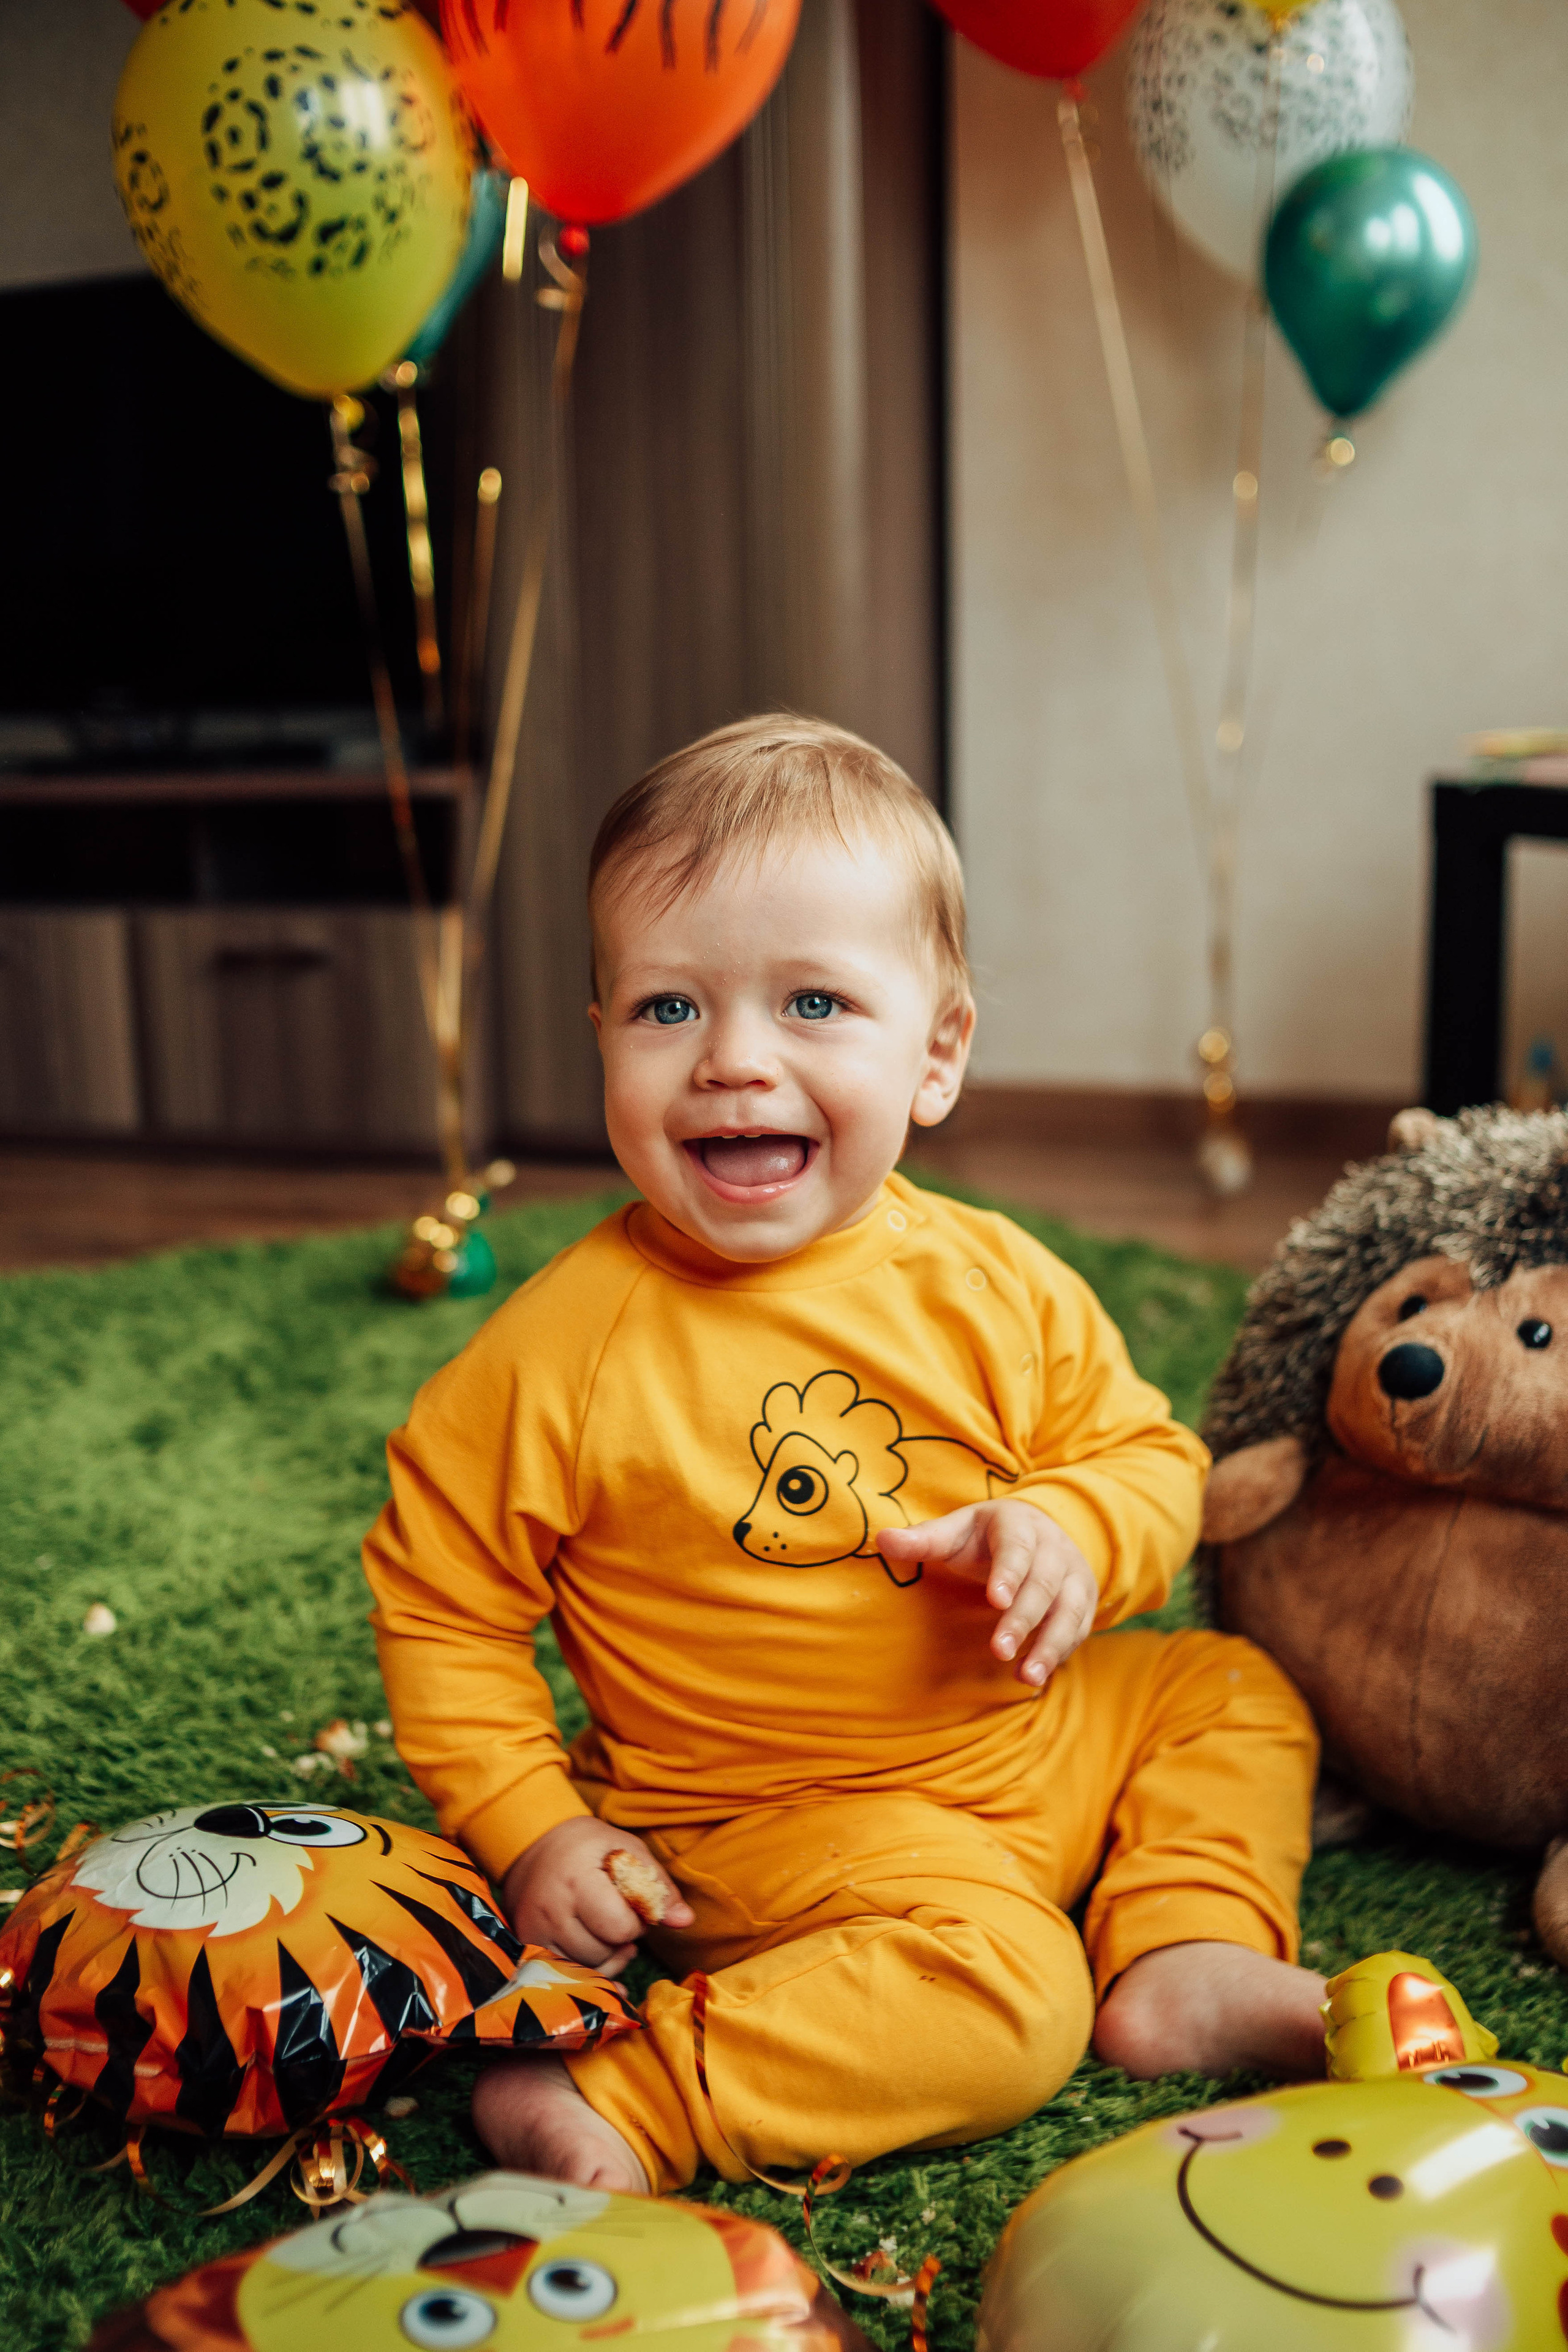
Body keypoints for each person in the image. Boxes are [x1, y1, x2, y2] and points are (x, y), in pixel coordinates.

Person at [363, 714, 1324, 2197]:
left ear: (935, 1053)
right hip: (761, 1825)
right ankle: (628, 2095)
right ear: (602, 1038)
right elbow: (443, 1606)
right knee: (1007, 2001)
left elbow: (1145, 1454)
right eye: (669, 1011)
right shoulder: (561, 1355)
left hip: (1028, 1740)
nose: (734, 1064)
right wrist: (531, 1823)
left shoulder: (993, 1278)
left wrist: (1070, 1525)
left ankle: (1186, 1948)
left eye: (812, 1002)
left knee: (1225, 1690)